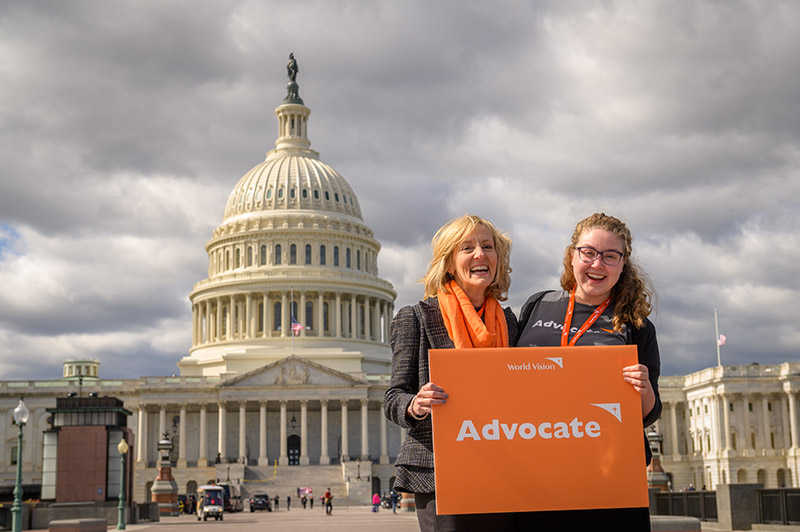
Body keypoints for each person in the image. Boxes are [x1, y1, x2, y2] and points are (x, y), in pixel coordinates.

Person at [516, 212, 662, 530]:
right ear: (572, 256)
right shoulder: (537, 305)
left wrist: (645, 388)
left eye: (610, 256)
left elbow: (649, 413)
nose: (597, 265)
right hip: (539, 463)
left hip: (610, 470)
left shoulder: (637, 324)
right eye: (589, 253)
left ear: (623, 265)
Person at [384, 214, 518, 532]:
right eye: (466, 248)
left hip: (504, 463)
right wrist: (415, 404)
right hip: (440, 471)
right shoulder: (415, 318)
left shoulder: (509, 322)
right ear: (448, 262)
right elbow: (393, 398)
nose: (480, 255)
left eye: (488, 246)